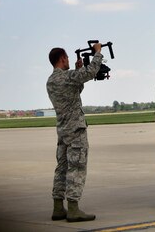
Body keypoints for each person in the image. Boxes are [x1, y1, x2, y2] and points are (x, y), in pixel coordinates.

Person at [46, 43, 103, 222]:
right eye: (68, 58)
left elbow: (75, 89)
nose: (69, 60)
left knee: (61, 168)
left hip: (63, 131)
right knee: (76, 168)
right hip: (76, 131)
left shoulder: (51, 81)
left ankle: (57, 207)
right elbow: (91, 72)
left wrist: (78, 70)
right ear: (62, 58)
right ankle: (73, 208)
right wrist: (98, 53)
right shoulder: (67, 77)